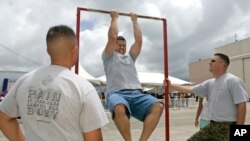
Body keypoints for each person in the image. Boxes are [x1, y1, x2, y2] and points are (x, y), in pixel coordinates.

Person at [0, 25, 109, 141]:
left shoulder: (24, 81)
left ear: (48, 51)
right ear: (75, 50)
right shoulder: (83, 88)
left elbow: (3, 117)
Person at [102, 10, 164, 141]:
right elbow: (112, 37)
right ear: (113, 46)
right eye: (119, 45)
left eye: (124, 45)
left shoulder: (130, 57)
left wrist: (135, 21)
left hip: (137, 94)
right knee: (119, 107)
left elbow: (139, 40)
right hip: (116, 93)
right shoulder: (108, 57)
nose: (122, 47)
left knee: (158, 106)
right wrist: (114, 18)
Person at [165, 53, 248, 141]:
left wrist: (239, 133)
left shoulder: (233, 81)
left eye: (213, 61)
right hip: (212, 125)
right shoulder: (210, 83)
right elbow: (190, 90)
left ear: (222, 64)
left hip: (228, 126)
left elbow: (242, 105)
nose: (210, 63)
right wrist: (171, 86)